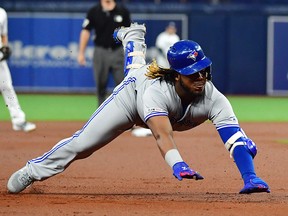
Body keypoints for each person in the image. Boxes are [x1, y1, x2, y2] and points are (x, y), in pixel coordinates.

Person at [7, 23, 270, 194]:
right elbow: (161, 133)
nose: (201, 77)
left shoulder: (214, 97)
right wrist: (177, 163)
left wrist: (250, 177)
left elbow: (234, 138)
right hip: (132, 98)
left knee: (137, 68)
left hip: (154, 91)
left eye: (204, 70)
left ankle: (132, 37)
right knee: (83, 144)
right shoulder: (158, 91)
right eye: (193, 74)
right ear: (177, 75)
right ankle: (32, 170)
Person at [77, 0, 131, 106]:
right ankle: (101, 116)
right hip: (100, 51)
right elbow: (85, 30)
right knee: (100, 86)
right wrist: (81, 53)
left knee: (123, 85)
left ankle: (125, 116)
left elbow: (129, 33)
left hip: (118, 51)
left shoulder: (122, 11)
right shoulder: (94, 11)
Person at [0, 7, 36, 132]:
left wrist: (5, 47)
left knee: (7, 87)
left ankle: (18, 121)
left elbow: (3, 35)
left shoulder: (2, 13)